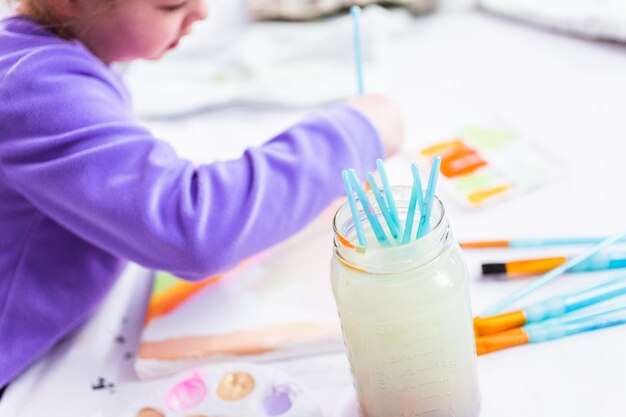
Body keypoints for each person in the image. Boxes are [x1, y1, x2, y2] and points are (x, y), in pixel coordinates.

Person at [0, 0, 404, 390]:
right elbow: (192, 227)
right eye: (171, 5)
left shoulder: (41, 56)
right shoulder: (34, 89)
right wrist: (355, 135)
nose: (203, 12)